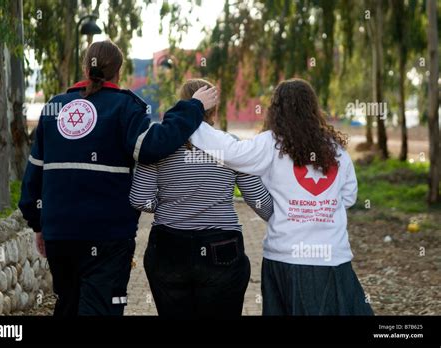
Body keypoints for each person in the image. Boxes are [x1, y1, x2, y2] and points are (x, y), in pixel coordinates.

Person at [19, 40, 217, 316]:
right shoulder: (125, 108)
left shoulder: (55, 107)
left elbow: (35, 171)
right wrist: (193, 107)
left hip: (59, 234)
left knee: (68, 305)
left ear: (86, 68)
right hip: (107, 237)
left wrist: (37, 223)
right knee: (103, 308)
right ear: (119, 72)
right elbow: (153, 146)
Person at [190, 78, 373, 315]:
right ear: (313, 108)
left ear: (276, 109)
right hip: (332, 257)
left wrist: (191, 116)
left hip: (284, 255)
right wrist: (320, 207)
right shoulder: (335, 149)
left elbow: (230, 152)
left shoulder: (271, 144)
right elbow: (348, 196)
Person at [130, 78, 273, 318]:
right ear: (214, 111)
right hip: (222, 249)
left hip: (168, 247)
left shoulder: (159, 145)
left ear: (182, 105)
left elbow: (139, 199)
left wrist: (167, 204)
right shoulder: (232, 146)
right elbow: (257, 199)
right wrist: (290, 220)